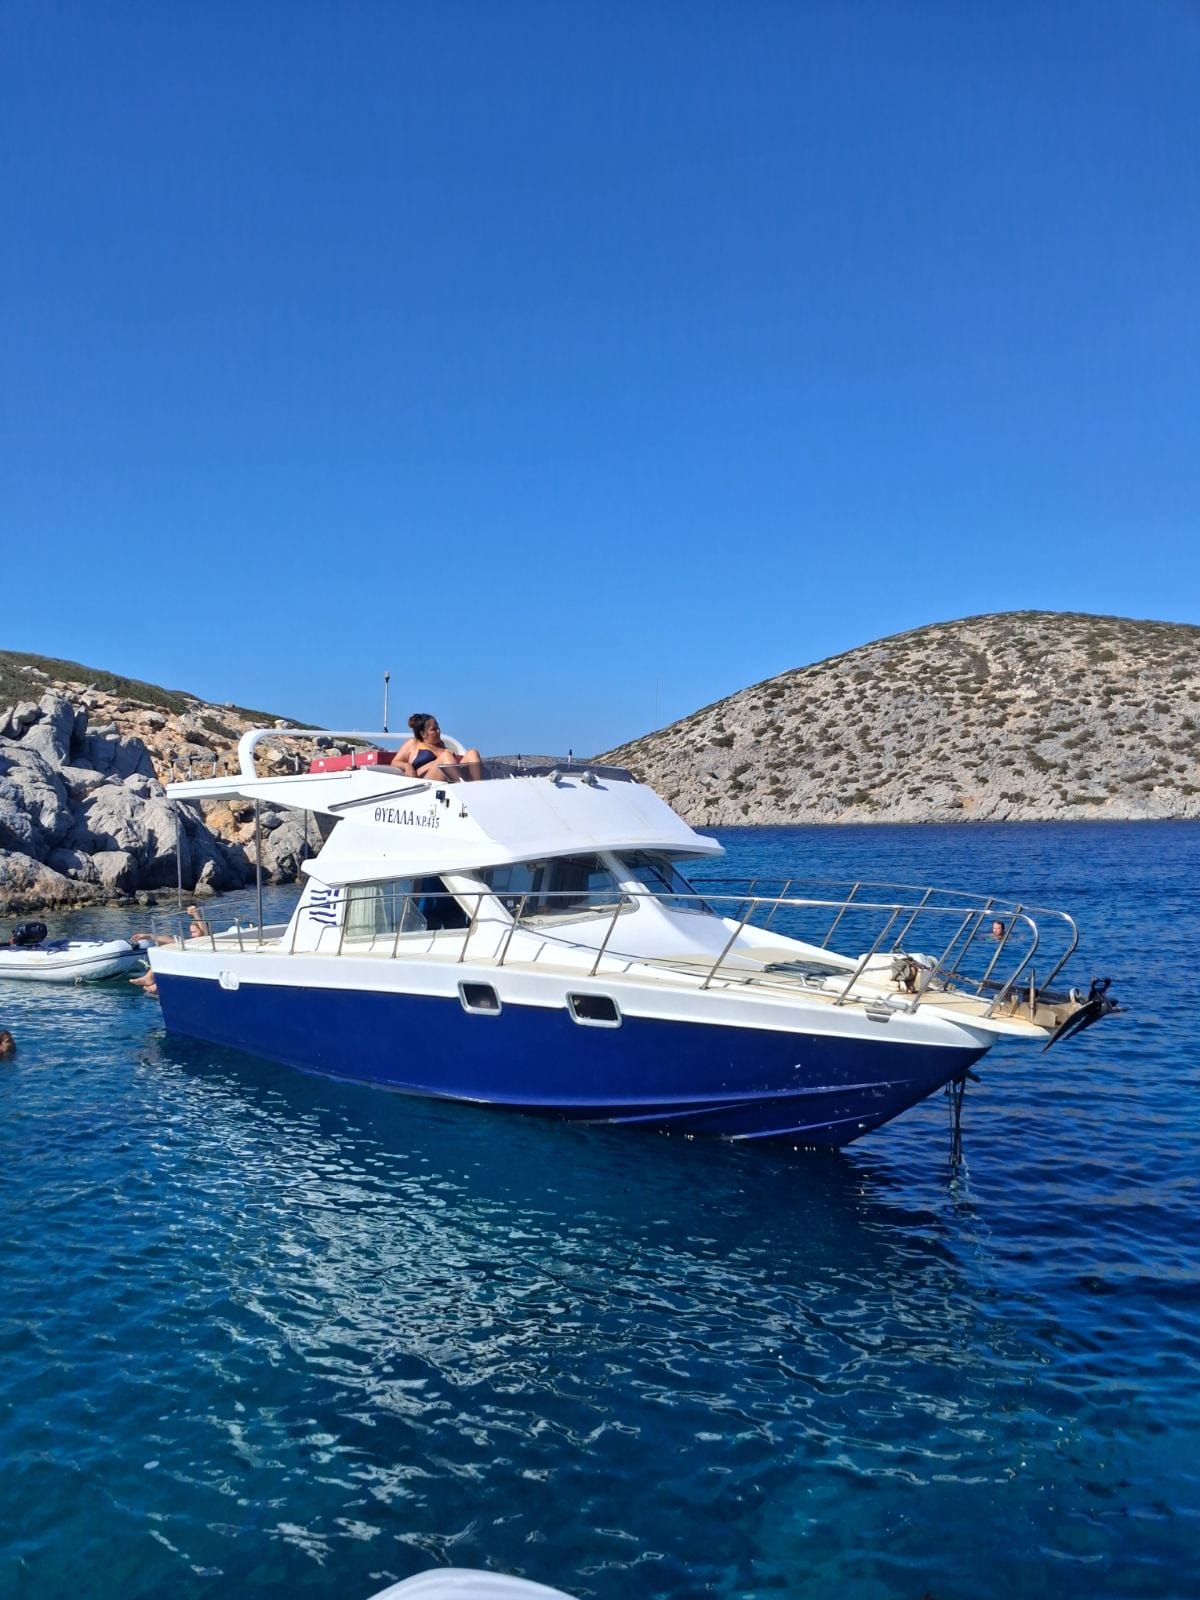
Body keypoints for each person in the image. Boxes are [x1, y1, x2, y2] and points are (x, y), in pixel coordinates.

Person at [396, 713, 483, 783]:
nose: (438, 731)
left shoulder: (441, 744)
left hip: (448, 779)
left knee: (472, 753)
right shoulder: (413, 743)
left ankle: (478, 786)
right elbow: (395, 762)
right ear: (423, 734)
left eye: (438, 728)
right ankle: (462, 786)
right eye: (433, 729)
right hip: (425, 782)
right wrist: (407, 766)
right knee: (445, 756)